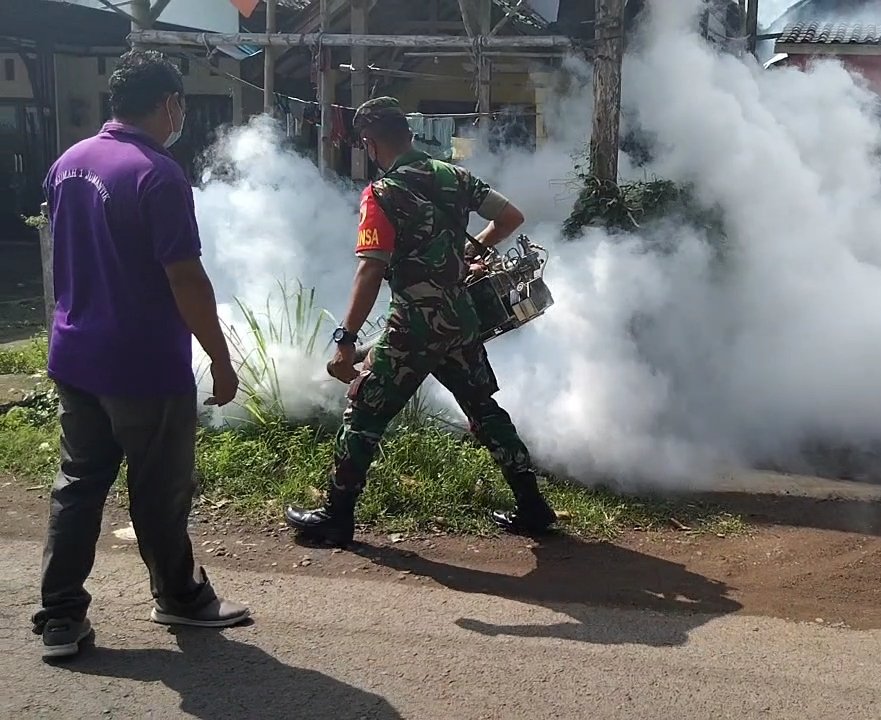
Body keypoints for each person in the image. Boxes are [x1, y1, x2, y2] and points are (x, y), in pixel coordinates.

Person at [33, 49, 250, 660]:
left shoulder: (68, 163)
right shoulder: (157, 172)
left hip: (75, 356)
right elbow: (185, 277)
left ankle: (60, 619)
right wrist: (220, 357)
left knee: (77, 484)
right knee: (159, 490)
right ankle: (179, 598)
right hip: (142, 366)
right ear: (169, 104)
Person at [284, 96, 557, 546]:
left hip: (413, 326)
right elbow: (511, 217)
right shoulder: (453, 175)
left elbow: (371, 268)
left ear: (370, 144)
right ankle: (533, 505)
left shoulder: (381, 194)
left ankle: (336, 516)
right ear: (409, 135)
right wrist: (474, 249)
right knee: (485, 410)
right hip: (460, 319)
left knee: (365, 411)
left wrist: (346, 339)